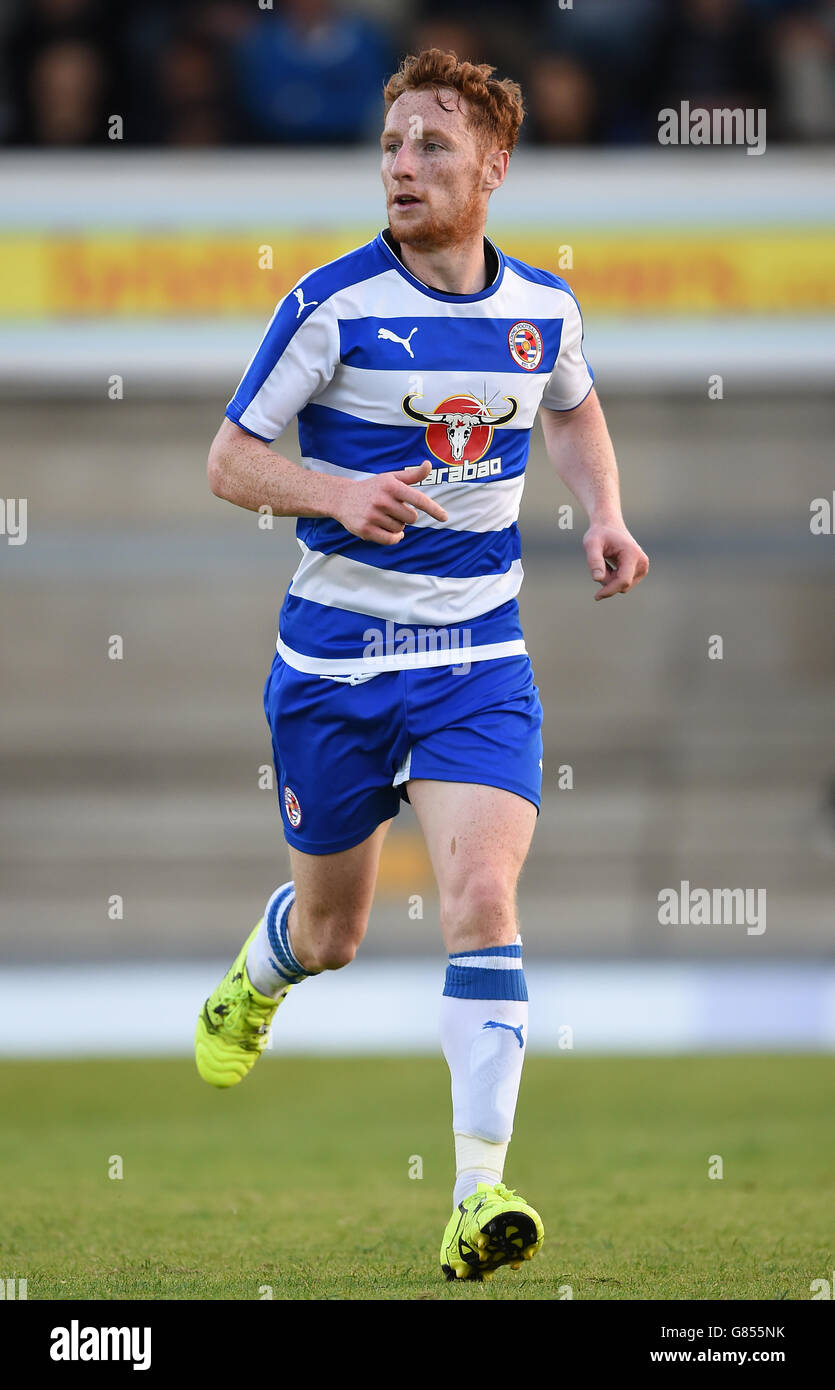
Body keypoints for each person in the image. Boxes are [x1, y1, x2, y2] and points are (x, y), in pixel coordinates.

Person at [195, 47, 649, 1284]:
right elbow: (231, 460)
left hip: (475, 664)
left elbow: (570, 404)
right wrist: (336, 488)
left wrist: (602, 512)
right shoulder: (331, 305)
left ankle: (476, 1190)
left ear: (492, 166)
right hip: (333, 670)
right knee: (336, 933)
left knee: (481, 903)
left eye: (431, 146)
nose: (402, 165)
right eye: (391, 145)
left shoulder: (542, 309)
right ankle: (259, 972)